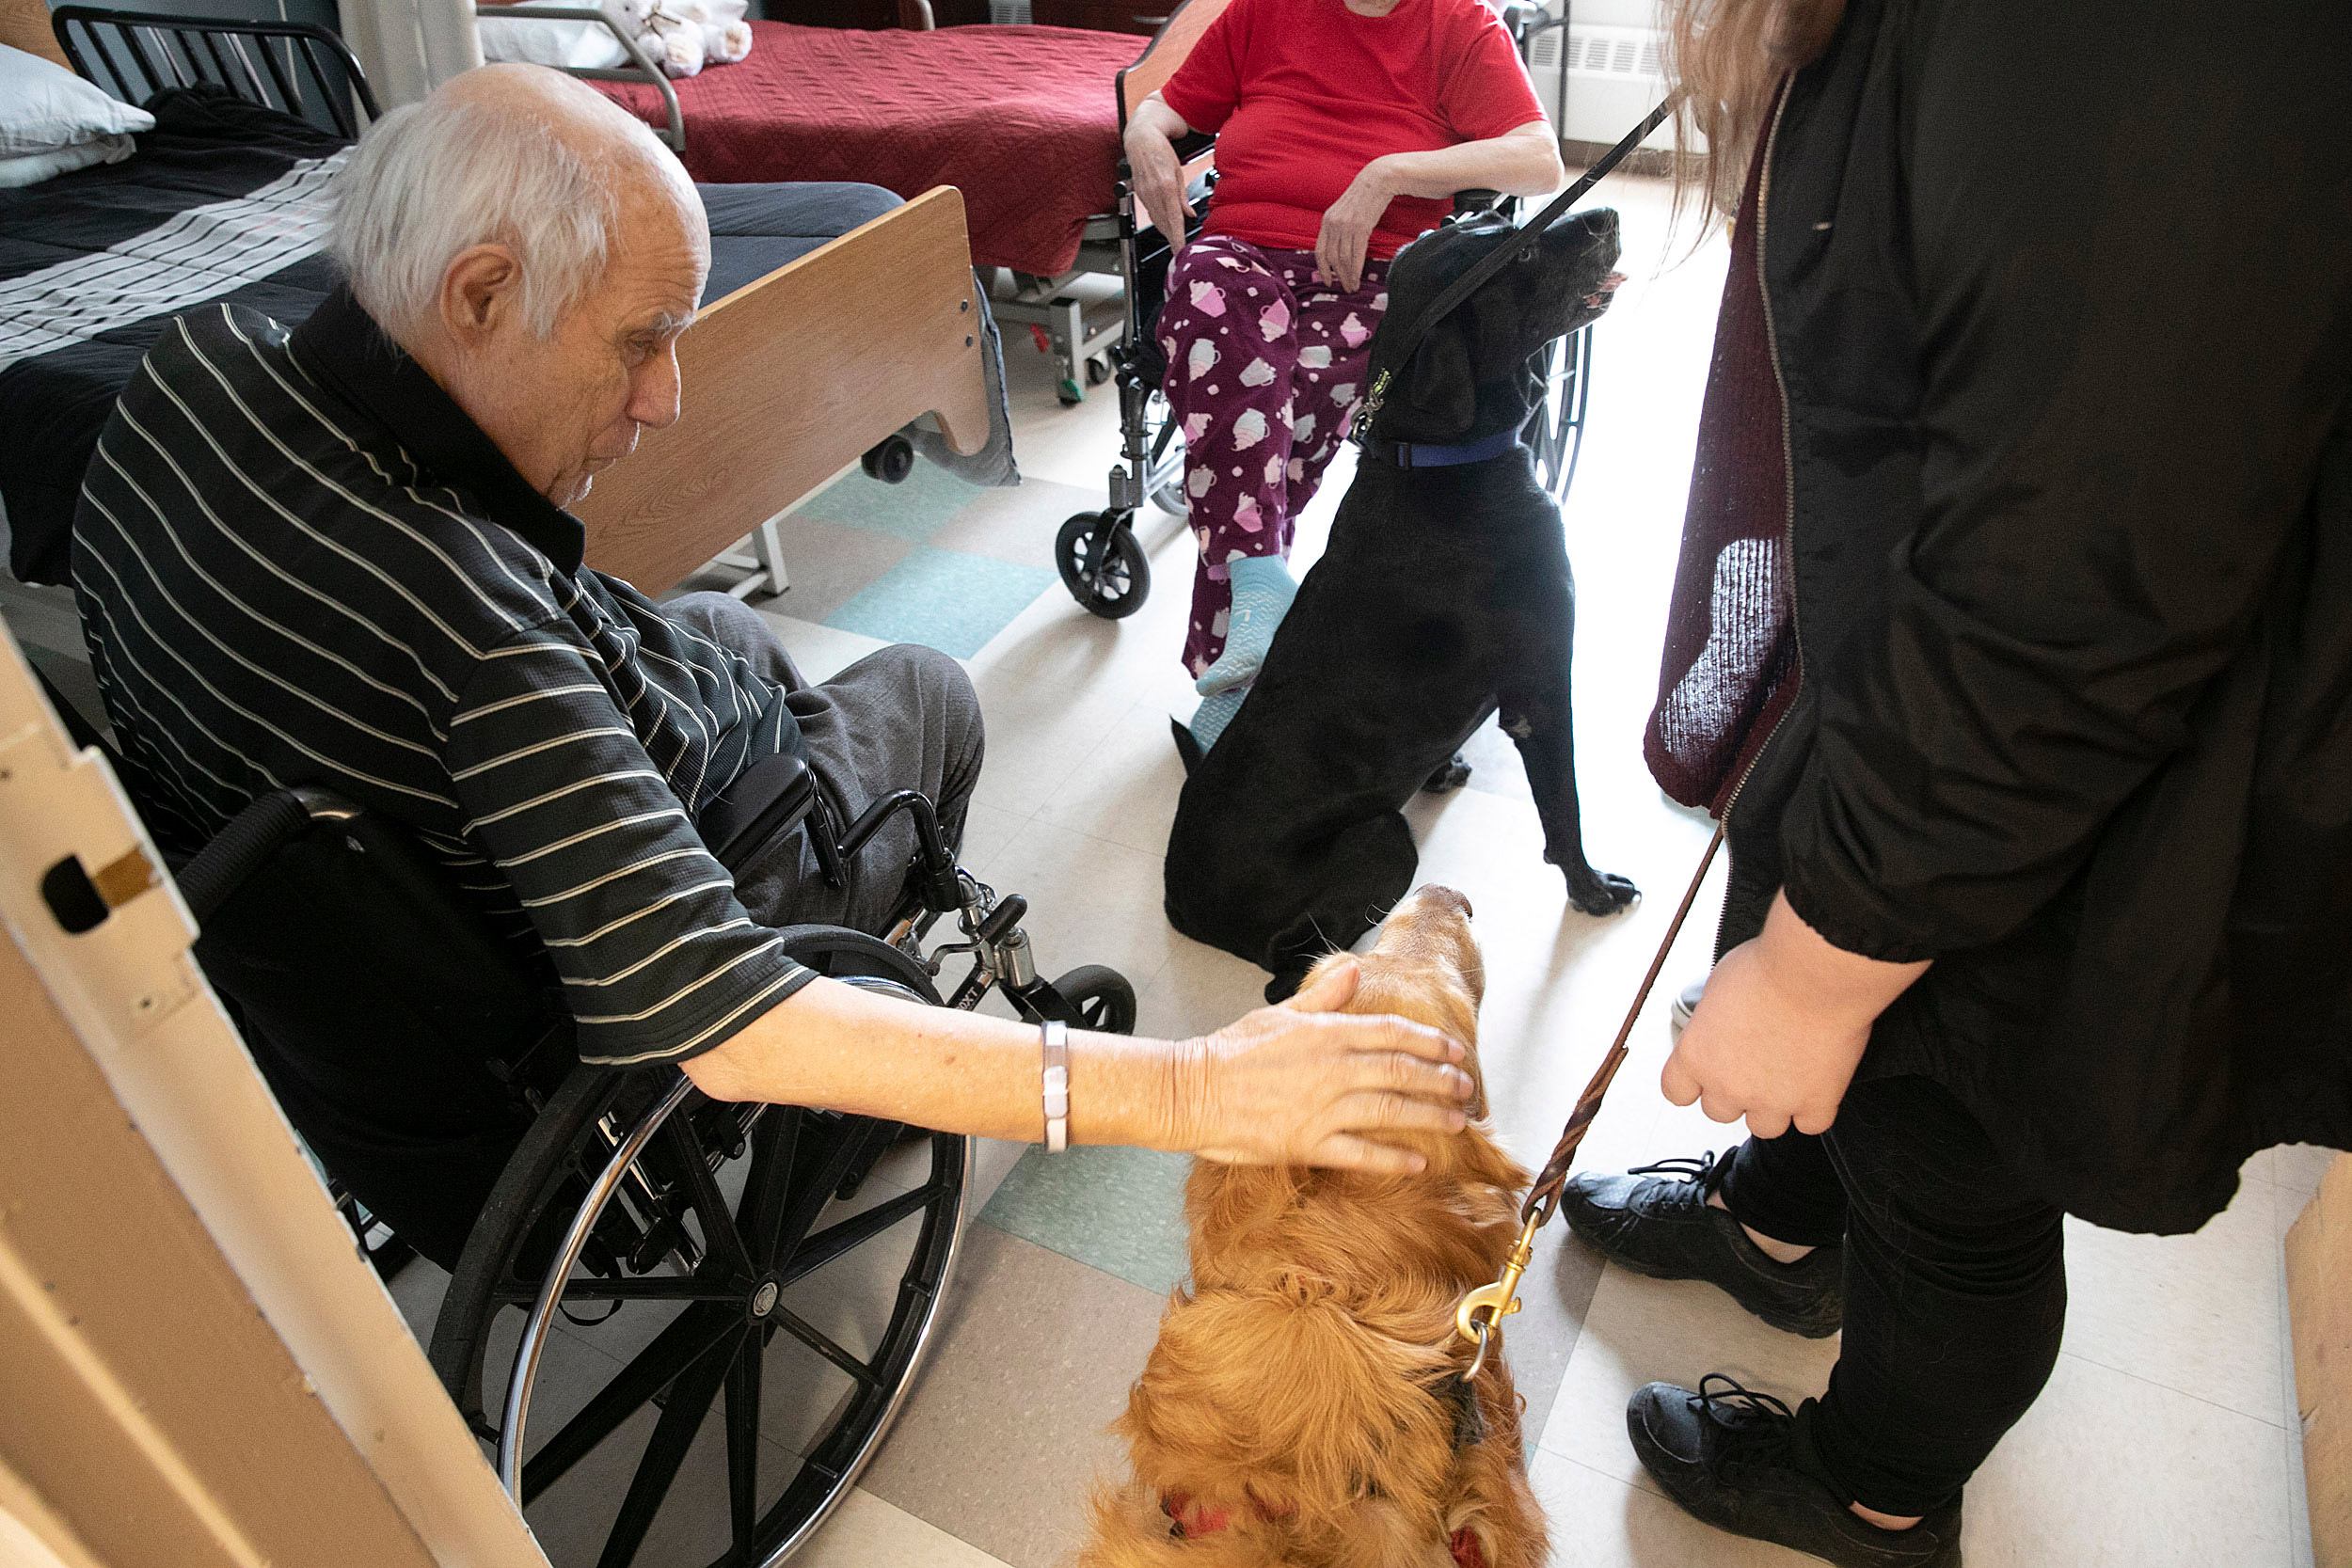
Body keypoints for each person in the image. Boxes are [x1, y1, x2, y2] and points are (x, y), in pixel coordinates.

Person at [72, 65, 1480, 1227]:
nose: (666, 399)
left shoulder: (180, 388)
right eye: (639, 342)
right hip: (635, 946)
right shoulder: (473, 638)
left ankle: (777, 744)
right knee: (925, 685)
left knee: (721, 625)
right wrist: (1194, 1087)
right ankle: (829, 1105)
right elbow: (727, 1012)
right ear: (482, 295)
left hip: (384, 933)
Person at [1553, 2, 2351, 1565]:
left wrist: (1818, 971)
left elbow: (2079, 578)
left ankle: (1877, 1492)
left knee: (1954, 1169)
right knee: (1832, 986)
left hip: (2072, 750)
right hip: (1936, 662)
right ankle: (1784, 1226)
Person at [1122, 0, 1562, 748]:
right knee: (1205, 302)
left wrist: (1389, 173)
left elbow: (1539, 158)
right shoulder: (1264, 10)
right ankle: (1259, 593)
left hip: (1372, 271)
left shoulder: (1457, 24)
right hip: (1238, 256)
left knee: (1279, 414)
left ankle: (1241, 660)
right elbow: (1167, 108)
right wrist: (1143, 135)